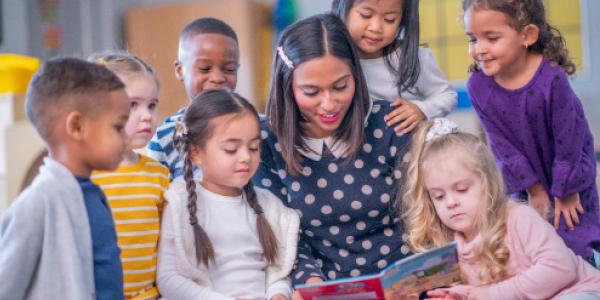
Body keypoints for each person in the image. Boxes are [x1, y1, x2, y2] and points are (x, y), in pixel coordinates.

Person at [253, 13, 413, 290]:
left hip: (403, 281)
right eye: (311, 91)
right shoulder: (264, 140)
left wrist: (417, 279)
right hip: (322, 286)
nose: (329, 104)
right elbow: (284, 234)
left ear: (356, 76)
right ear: (287, 85)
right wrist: (314, 286)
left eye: (340, 87)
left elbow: (419, 216)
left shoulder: (391, 123)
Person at [400, 119, 600, 300]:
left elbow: (562, 269)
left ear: (488, 184)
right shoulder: (451, 246)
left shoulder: (519, 217)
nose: (451, 202)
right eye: (439, 196)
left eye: (461, 189)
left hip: (577, 291)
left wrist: (489, 294)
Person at [463, 0, 600, 263]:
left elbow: (569, 139)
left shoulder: (551, 78)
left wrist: (566, 190)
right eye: (472, 39)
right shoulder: (478, 87)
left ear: (527, 35)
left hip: (568, 171)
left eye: (491, 38)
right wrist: (533, 189)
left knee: (574, 236)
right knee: (528, 243)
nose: (479, 49)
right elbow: (501, 146)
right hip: (524, 178)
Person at [0, 58, 129, 299]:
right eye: (118, 127)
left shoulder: (91, 193)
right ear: (77, 126)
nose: (126, 139)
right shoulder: (37, 202)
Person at [156, 89, 299, 300]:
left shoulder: (268, 205)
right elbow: (169, 279)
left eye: (253, 147)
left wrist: (279, 293)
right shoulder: (180, 202)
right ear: (196, 153)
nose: (245, 158)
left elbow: (278, 272)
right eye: (231, 149)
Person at [88, 52, 170, 299]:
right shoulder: (86, 174)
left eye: (152, 105)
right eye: (133, 104)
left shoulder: (159, 174)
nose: (147, 115)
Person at [331, 0, 457, 134]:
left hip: (411, 147)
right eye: (366, 15)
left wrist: (421, 109)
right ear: (340, 7)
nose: (376, 27)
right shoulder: (334, 58)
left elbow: (447, 95)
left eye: (389, 19)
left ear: (402, 21)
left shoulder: (413, 57)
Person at [147, 17, 240, 180]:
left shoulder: (258, 128)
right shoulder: (165, 138)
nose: (217, 77)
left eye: (229, 69)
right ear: (180, 70)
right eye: (205, 69)